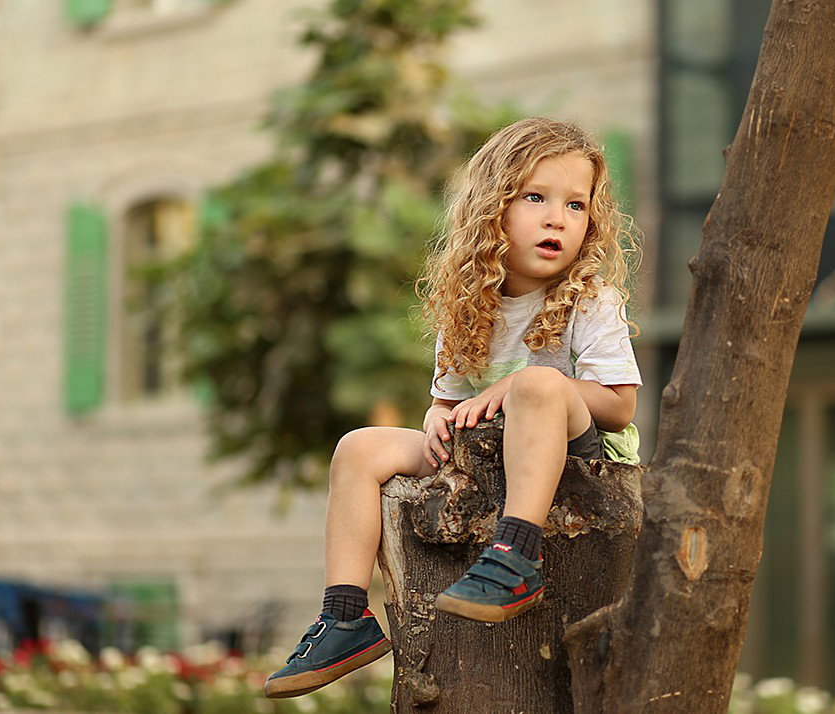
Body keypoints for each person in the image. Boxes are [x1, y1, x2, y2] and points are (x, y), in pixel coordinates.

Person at [264, 116, 642, 700]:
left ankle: (517, 555)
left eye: (576, 205)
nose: (556, 218)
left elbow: (618, 406)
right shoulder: (470, 304)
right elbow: (447, 402)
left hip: (578, 455)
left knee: (539, 386)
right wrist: (436, 419)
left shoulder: (589, 299)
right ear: (493, 210)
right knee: (359, 448)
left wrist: (520, 389)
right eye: (536, 198)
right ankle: (345, 615)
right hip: (485, 450)